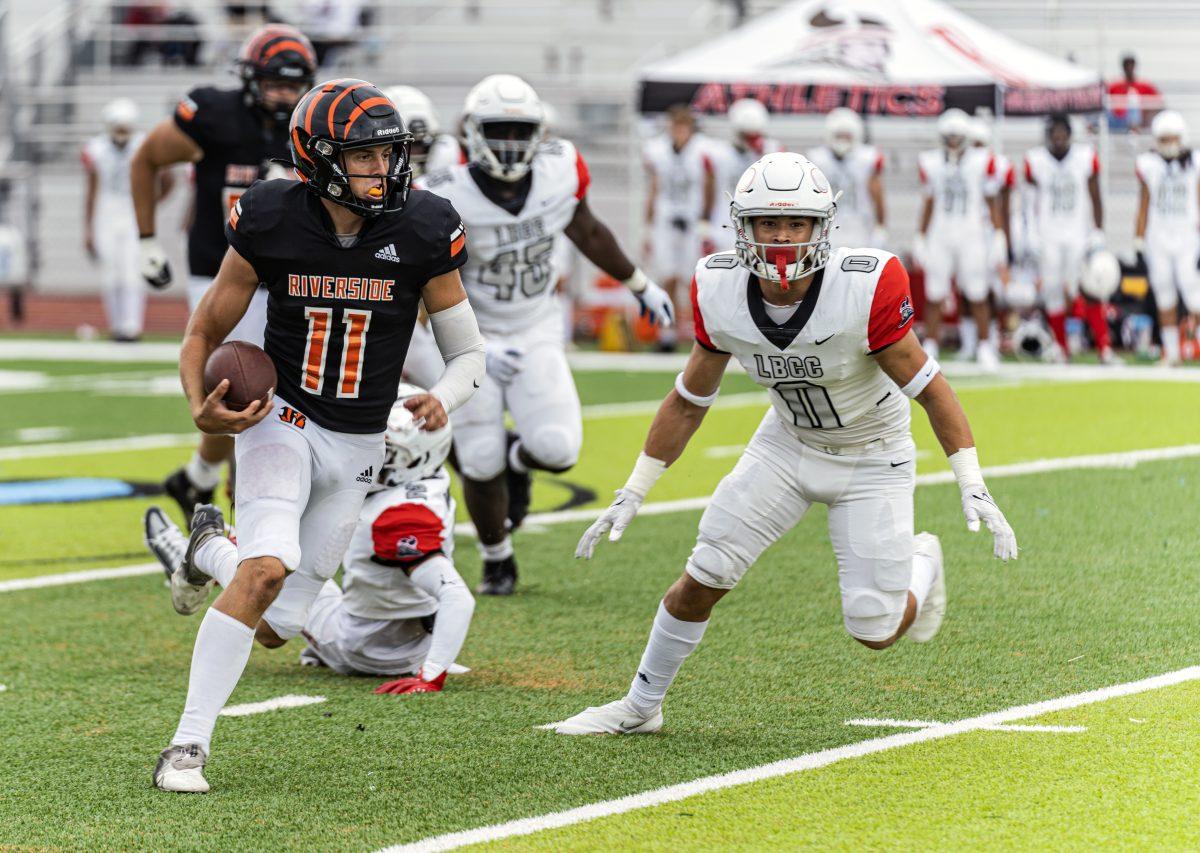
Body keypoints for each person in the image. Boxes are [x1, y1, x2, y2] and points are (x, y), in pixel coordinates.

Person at [542, 152, 1017, 736]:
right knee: (706, 570)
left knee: (874, 629)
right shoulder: (718, 287)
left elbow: (932, 389)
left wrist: (972, 483)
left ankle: (923, 562)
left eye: (796, 224)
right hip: (787, 445)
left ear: (823, 228)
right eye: (769, 223)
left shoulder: (864, 284)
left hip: (872, 454)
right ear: (744, 226)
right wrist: (634, 489)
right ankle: (641, 707)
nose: (783, 237)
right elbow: (689, 399)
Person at [145, 79, 486, 793]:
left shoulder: (424, 226)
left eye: (390, 155)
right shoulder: (271, 216)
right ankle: (185, 747)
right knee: (267, 567)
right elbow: (204, 329)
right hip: (283, 419)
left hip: (361, 445)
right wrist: (198, 408)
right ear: (319, 158)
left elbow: (468, 355)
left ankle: (206, 546)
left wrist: (442, 397)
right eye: (365, 157)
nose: (385, 169)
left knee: (276, 624)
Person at [416, 74, 674, 596]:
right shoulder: (443, 193)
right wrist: (475, 344)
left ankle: (521, 462)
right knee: (479, 457)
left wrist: (638, 282)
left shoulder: (561, 169)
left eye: (520, 129)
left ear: (539, 131)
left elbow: (586, 229)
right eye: (498, 129)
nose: (510, 141)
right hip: (473, 332)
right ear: (472, 133)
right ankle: (497, 558)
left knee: (557, 448)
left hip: (536, 325)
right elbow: (424, 284)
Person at [143, 386, 475, 691]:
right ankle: (220, 542)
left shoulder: (402, 520)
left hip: (366, 648)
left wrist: (431, 676)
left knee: (272, 624)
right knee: (283, 552)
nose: (368, 452)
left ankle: (208, 549)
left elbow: (457, 598)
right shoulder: (429, 478)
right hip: (405, 638)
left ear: (412, 458)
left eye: (381, 448)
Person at [131, 24, 316, 524]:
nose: (284, 95)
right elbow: (146, 159)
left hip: (283, 276)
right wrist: (147, 239)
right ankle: (249, 524)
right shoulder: (213, 113)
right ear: (250, 78)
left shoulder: (312, 124)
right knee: (248, 389)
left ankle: (196, 480)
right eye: (274, 82)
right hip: (218, 269)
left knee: (254, 388)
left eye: (293, 84)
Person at [914, 108, 1006, 371]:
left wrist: (998, 234)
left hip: (971, 232)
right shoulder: (931, 162)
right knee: (935, 292)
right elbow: (929, 201)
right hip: (941, 233)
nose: (953, 142)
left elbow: (991, 200)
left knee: (977, 292)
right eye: (949, 137)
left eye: (957, 137)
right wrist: (920, 235)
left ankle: (985, 346)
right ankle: (930, 345)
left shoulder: (981, 160)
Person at [1023, 113, 1115, 363]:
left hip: (1078, 233)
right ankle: (1062, 348)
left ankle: (1104, 348)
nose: (1059, 138)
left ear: (1070, 135)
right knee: (1053, 291)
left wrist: (1097, 231)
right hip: (1049, 234)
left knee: (1090, 288)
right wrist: (1030, 234)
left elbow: (1096, 196)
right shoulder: (1036, 160)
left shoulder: (1085, 157)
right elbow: (1029, 204)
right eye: (1054, 133)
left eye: (1063, 133)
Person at [82, 98, 162, 342]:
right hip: (106, 211)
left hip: (132, 210)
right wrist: (88, 229)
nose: (122, 134)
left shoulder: (143, 145)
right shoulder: (95, 148)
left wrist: (149, 204)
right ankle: (117, 326)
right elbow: (92, 190)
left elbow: (167, 179)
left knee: (132, 272)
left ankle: (132, 327)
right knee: (110, 274)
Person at [643, 104, 715, 348]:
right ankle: (668, 332)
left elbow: (709, 186)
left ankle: (700, 332)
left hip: (692, 222)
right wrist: (648, 226)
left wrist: (706, 220)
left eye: (684, 127)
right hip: (666, 220)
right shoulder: (658, 150)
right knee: (668, 277)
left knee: (694, 279)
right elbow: (654, 187)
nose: (680, 132)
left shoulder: (702, 150)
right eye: (676, 127)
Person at [1135, 110, 1200, 365]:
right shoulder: (1148, 164)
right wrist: (1138, 241)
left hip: (1187, 236)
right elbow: (1143, 204)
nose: (1168, 144)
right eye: (1164, 139)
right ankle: (1172, 352)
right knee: (1164, 294)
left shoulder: (1193, 161)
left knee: (1194, 293)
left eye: (1172, 138)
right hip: (1158, 237)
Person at [708, 98, 784, 251]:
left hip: (759, 221)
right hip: (725, 223)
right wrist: (704, 223)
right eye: (747, 134)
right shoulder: (718, 154)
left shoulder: (773, 151)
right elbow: (708, 190)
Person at [807, 107, 886, 251]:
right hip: (828, 225)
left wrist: (880, 227)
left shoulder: (867, 158)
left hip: (860, 224)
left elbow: (877, 195)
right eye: (839, 136)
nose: (842, 140)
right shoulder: (817, 159)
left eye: (846, 136)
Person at [1107, 53, 1162, 132]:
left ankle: (1134, 129)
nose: (1129, 67)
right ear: (1123, 67)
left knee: (1133, 98)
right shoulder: (1114, 85)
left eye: (1131, 64)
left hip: (1141, 122)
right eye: (1126, 65)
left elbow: (1159, 102)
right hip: (1118, 122)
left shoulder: (1145, 85)